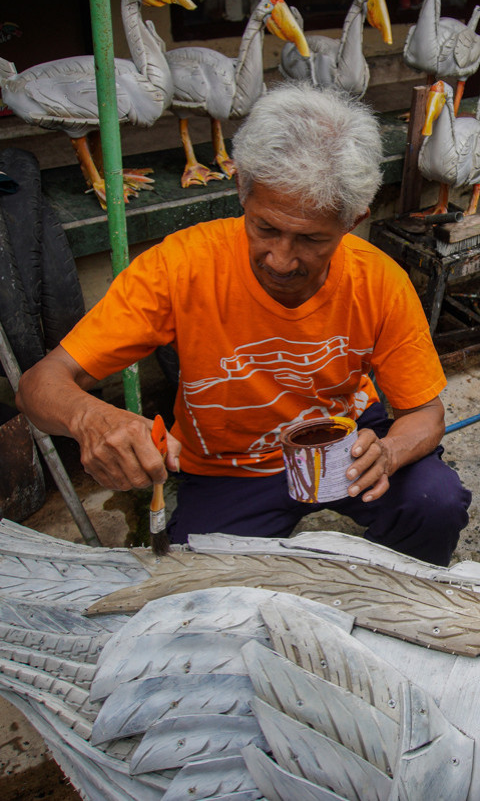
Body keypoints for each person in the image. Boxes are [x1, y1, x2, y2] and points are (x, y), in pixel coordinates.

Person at [16, 82, 471, 565]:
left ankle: (402, 605)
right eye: (265, 227)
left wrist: (392, 452)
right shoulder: (180, 266)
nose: (280, 260)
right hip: (226, 468)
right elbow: (37, 387)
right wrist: (90, 417)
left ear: (352, 220)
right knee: (198, 586)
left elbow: (425, 413)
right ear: (241, 191)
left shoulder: (378, 280)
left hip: (345, 445)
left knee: (435, 503)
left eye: (312, 239)